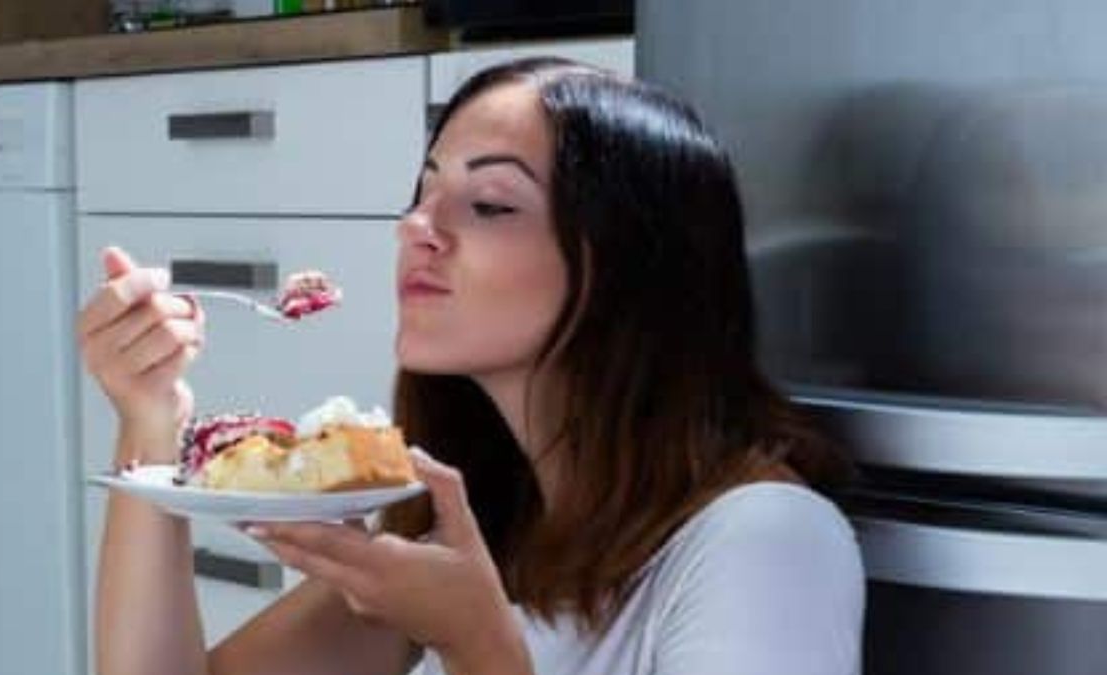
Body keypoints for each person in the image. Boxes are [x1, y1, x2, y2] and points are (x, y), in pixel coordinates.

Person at [78, 57, 865, 675]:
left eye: (490, 204)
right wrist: (150, 420)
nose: (418, 226)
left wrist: (477, 643)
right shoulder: (498, 509)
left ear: (631, 264)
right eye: (424, 191)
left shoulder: (765, 542)